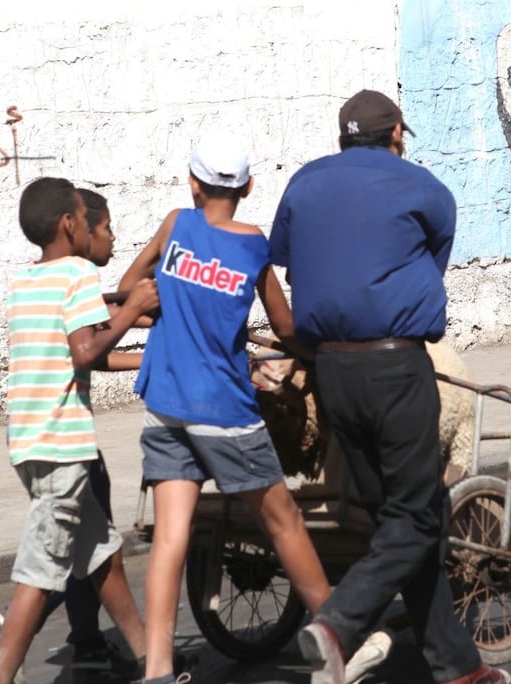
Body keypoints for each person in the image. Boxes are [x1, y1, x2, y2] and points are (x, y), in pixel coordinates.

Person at [270, 89, 511, 684]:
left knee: (399, 519)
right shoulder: (426, 189)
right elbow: (429, 270)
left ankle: (458, 667)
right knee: (418, 519)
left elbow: (293, 267)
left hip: (333, 370)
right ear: (396, 133)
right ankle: (335, 624)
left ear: (343, 137)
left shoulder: (302, 184)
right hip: (396, 367)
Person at [117, 130, 332, 684]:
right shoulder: (254, 245)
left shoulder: (175, 225)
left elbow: (127, 287)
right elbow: (284, 327)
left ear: (192, 182)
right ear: (249, 187)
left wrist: (169, 316)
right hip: (225, 411)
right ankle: (338, 641)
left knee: (170, 537)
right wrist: (316, 349)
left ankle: (158, 671)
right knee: (284, 522)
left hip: (165, 404)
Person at [0, 177, 158, 684]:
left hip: (29, 441)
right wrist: (131, 309)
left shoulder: (26, 280)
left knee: (99, 553)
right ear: (69, 224)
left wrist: (126, 317)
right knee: (40, 573)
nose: (89, 226)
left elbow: (72, 344)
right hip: (62, 444)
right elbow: (85, 352)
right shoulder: (79, 273)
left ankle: (152, 661)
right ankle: (1, 676)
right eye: (86, 217)